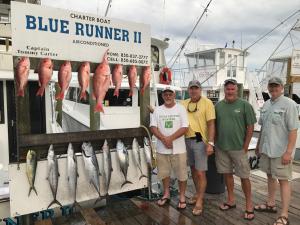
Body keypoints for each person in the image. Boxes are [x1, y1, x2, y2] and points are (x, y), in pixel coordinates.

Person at [254, 77, 298, 225]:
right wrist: (259, 145)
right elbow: (263, 128)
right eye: (271, 87)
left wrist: (288, 152)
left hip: (281, 151)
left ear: (282, 87)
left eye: (276, 86)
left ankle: (284, 214)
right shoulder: (266, 104)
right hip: (266, 149)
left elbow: (293, 130)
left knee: (284, 181)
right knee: (269, 176)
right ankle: (270, 204)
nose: (273, 89)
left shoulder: (290, 104)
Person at [215, 79, 256, 220]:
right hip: (221, 147)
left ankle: (249, 205)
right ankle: (231, 200)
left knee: (244, 176)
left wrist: (246, 146)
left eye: (232, 89)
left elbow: (251, 127)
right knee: (227, 175)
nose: (230, 91)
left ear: (236, 90)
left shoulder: (245, 105)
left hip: (239, 148)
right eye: (227, 89)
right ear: (224, 90)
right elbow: (214, 125)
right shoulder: (218, 106)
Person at [150, 86, 189, 209]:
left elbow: (185, 127)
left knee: (182, 174)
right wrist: (164, 139)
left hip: (179, 148)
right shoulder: (157, 110)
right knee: (164, 173)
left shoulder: (181, 109)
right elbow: (153, 127)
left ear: (174, 96)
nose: (168, 96)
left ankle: (182, 196)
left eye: (170, 94)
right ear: (162, 96)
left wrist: (169, 139)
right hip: (162, 149)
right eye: (165, 94)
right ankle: (166, 193)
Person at [181, 80, 215, 216]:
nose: (193, 91)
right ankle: (197, 194)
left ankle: (200, 200)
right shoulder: (184, 103)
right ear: (188, 90)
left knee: (201, 172)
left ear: (200, 89)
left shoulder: (207, 103)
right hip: (186, 139)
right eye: (191, 89)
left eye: (196, 88)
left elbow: (211, 124)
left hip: (200, 139)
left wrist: (211, 143)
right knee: (193, 170)